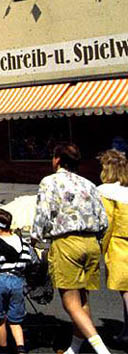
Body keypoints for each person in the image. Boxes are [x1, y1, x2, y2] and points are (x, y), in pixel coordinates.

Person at [31, 143, 111, 354]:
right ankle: (74, 349)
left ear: (57, 159)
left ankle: (101, 350)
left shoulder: (50, 182)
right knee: (83, 300)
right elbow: (103, 220)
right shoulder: (89, 184)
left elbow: (42, 215)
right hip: (91, 243)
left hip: (67, 243)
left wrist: (34, 238)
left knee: (71, 304)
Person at [0, 208, 34, 354]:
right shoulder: (23, 243)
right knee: (15, 321)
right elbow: (29, 261)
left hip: (0, 281)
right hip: (17, 282)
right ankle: (20, 348)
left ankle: (2, 349)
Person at [97, 149, 128, 345]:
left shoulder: (104, 192)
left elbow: (105, 224)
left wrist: (100, 247)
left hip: (119, 246)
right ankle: (126, 331)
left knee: (126, 291)